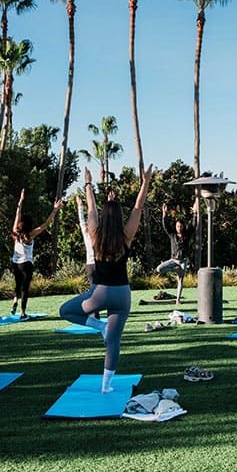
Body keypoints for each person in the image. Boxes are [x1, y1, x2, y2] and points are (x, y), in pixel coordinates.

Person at [60, 164, 154, 393]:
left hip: (100, 293)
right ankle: (106, 386)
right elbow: (138, 207)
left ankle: (99, 326)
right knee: (113, 342)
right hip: (122, 295)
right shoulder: (126, 235)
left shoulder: (96, 234)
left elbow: (91, 208)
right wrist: (145, 182)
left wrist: (88, 184)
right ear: (120, 217)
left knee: (66, 311)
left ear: (103, 216)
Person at [10, 189, 63, 319]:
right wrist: (55, 210)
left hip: (16, 263)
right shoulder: (30, 235)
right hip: (26, 264)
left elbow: (17, 214)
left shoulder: (16, 233)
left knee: (18, 283)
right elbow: (46, 224)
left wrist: (21, 201)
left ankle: (15, 300)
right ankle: (22, 312)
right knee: (25, 287)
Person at [156, 202, 191, 303]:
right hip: (173, 260)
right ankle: (174, 269)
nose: (179, 228)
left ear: (183, 226)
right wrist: (164, 214)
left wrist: (195, 213)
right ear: (176, 227)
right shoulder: (172, 235)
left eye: (180, 226)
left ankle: (178, 299)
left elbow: (193, 225)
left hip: (183, 261)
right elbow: (165, 226)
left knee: (180, 279)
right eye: (177, 226)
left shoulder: (186, 236)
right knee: (159, 269)